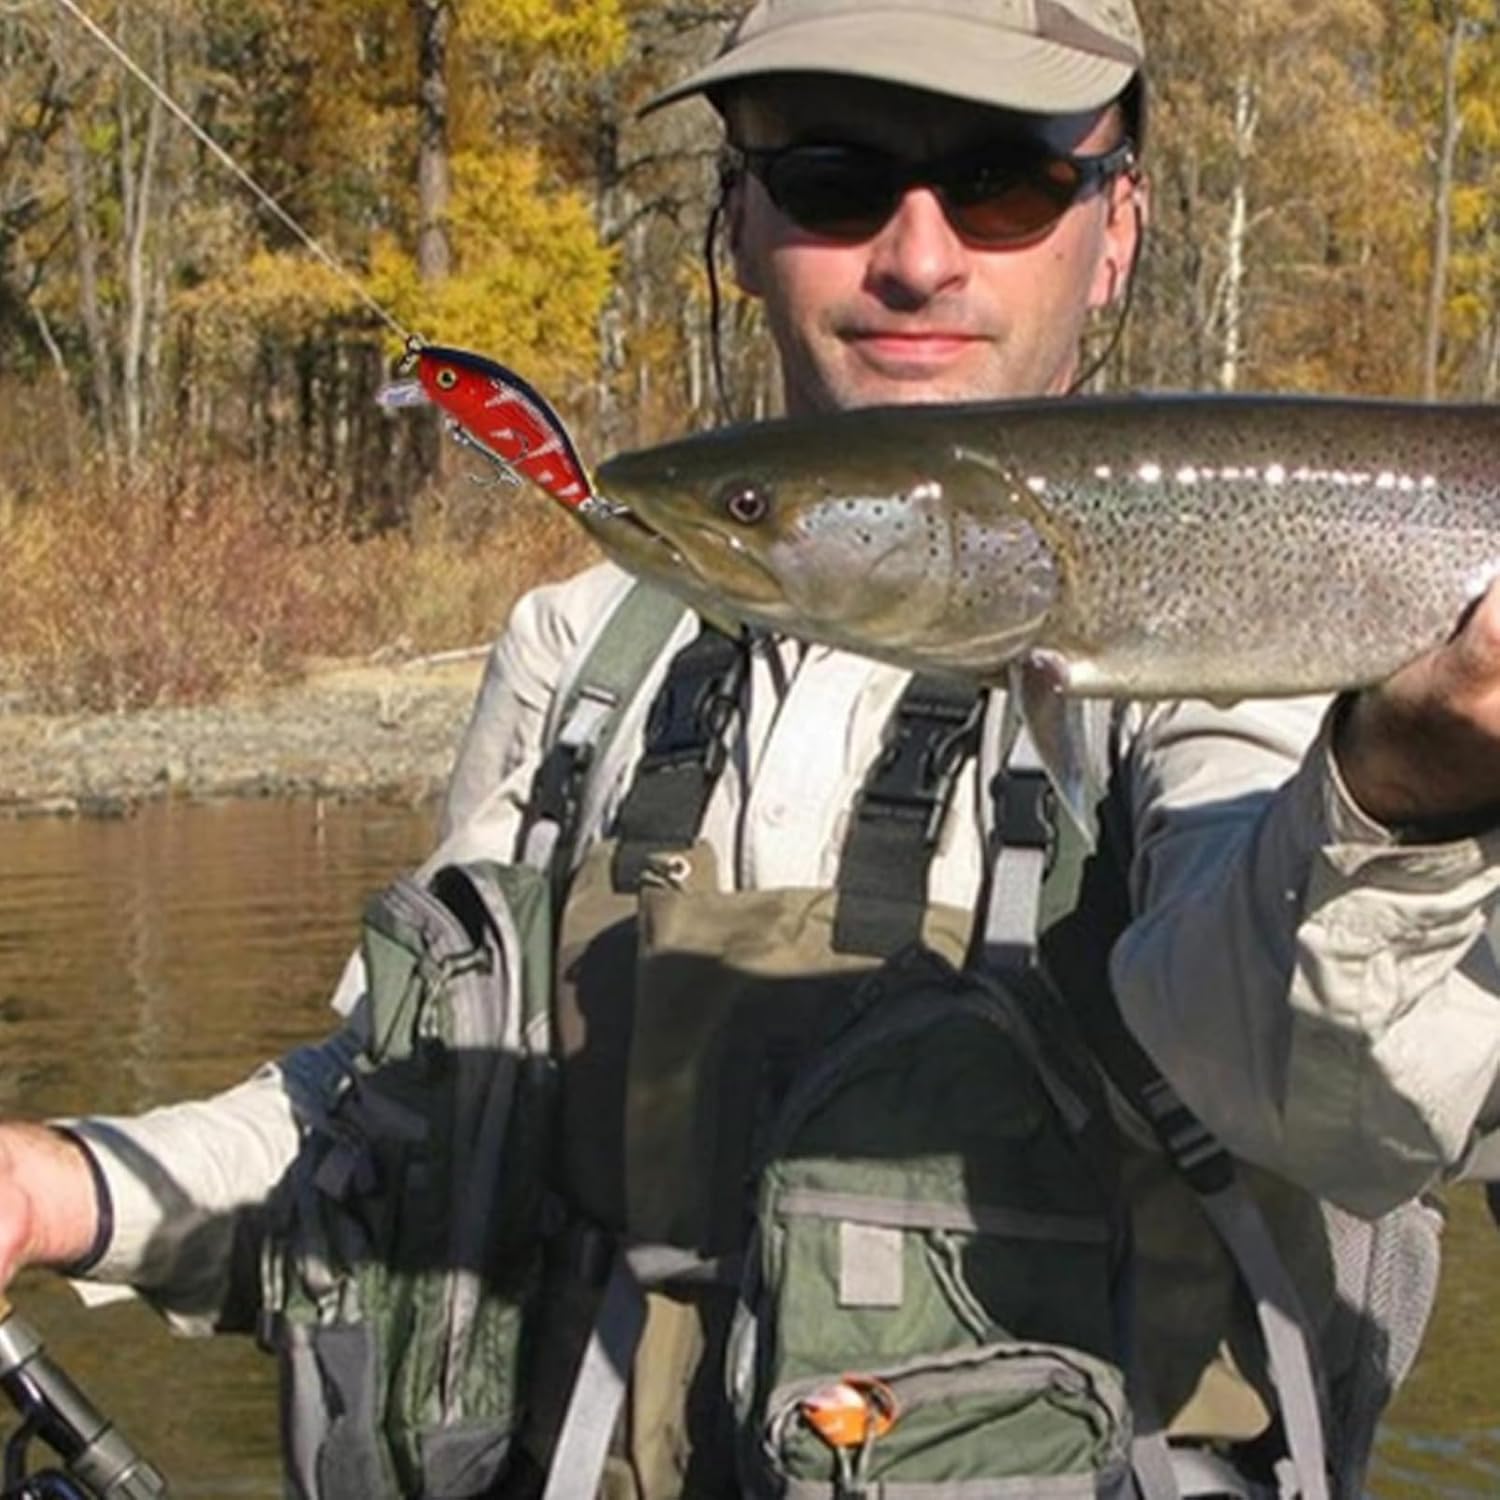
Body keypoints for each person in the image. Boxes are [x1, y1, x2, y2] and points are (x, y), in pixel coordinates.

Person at [3, 1, 1500, 1497]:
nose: (918, 257)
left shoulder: (1268, 664)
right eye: (834, 179)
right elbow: (407, 1117)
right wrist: (59, 1189)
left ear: (1117, 232)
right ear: (737, 223)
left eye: (1003, 183)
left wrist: (1394, 801)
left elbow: (1340, 1111)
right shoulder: (582, 656)